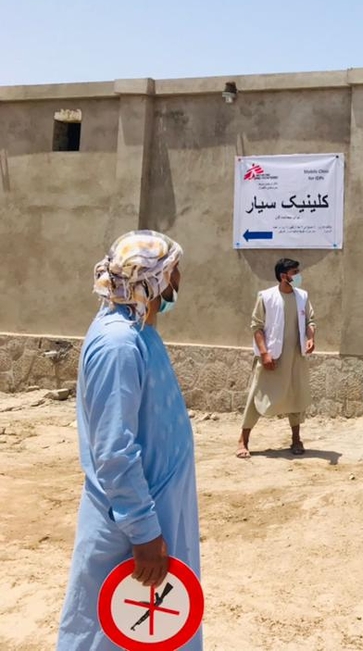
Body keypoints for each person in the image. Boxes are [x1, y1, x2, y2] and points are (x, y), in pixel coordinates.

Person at [58, 230, 201, 650]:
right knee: (114, 631)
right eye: (173, 271)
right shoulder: (118, 345)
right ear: (152, 278)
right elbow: (114, 449)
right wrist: (143, 532)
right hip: (132, 525)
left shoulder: (139, 332)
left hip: (157, 511)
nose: (178, 280)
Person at [236, 258, 316, 458]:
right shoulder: (266, 297)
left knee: (296, 396)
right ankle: (243, 440)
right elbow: (257, 326)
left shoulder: (302, 297)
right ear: (283, 276)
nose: (298, 275)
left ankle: (296, 439)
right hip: (272, 356)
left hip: (296, 357)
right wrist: (264, 353)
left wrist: (310, 339)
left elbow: (310, 321)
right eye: (294, 272)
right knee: (257, 395)